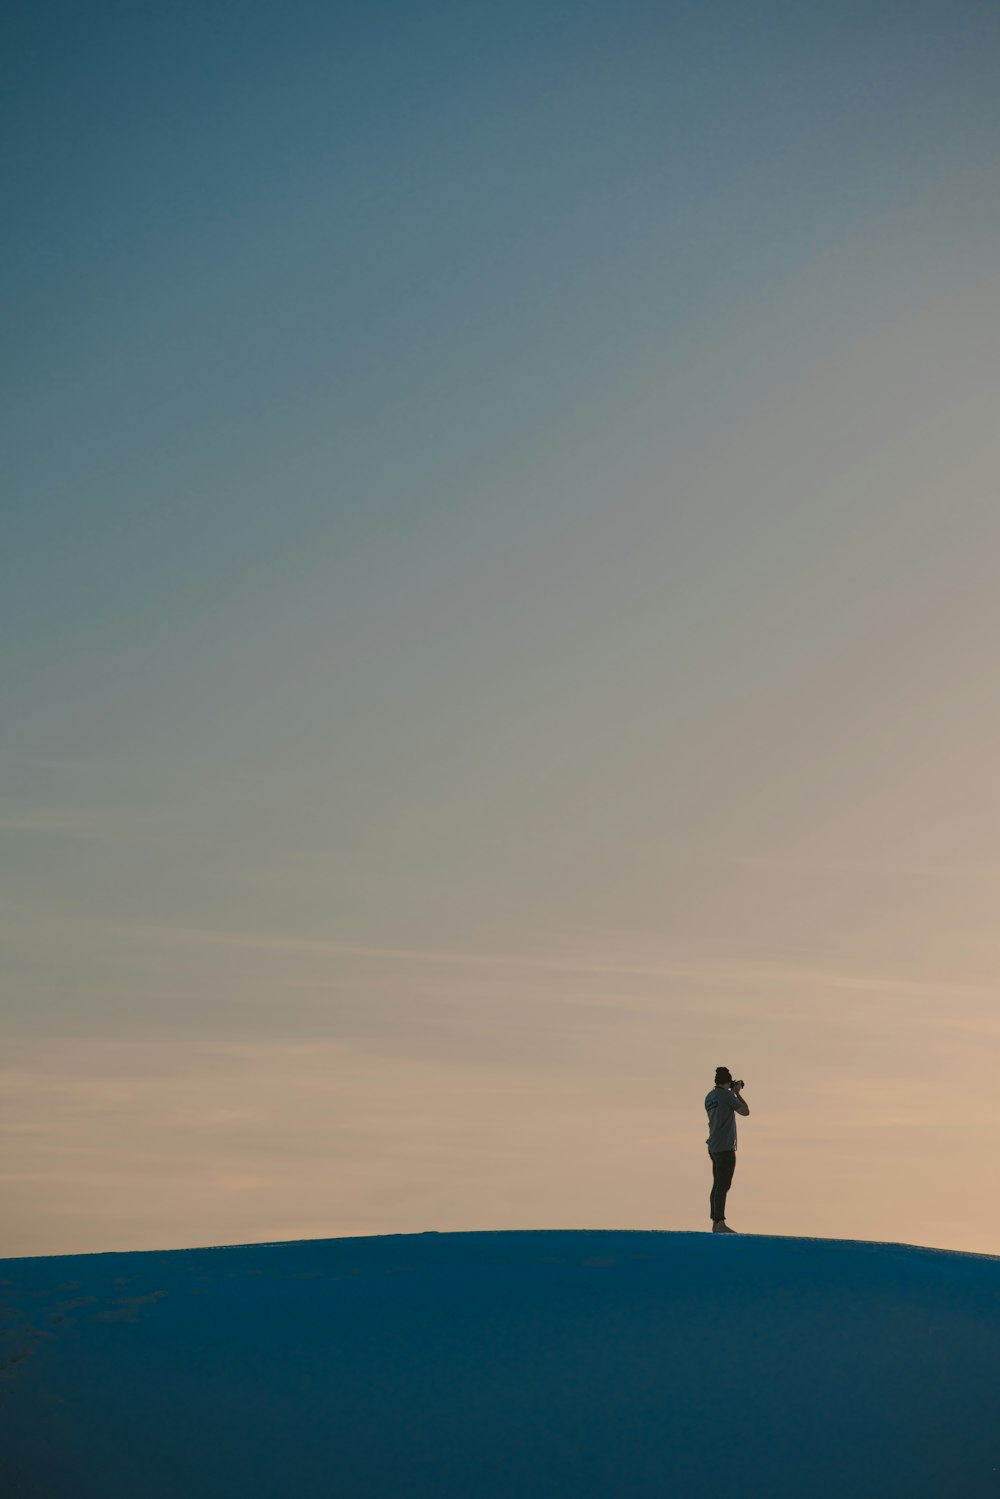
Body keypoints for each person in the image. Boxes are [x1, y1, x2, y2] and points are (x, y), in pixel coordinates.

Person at [705, 1066, 749, 1233]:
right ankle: (720, 1223)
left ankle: (715, 1222)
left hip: (713, 1146)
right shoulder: (727, 1095)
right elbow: (745, 1112)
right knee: (723, 1185)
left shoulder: (709, 1097)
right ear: (727, 1081)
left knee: (717, 1184)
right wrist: (737, 1092)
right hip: (725, 1147)